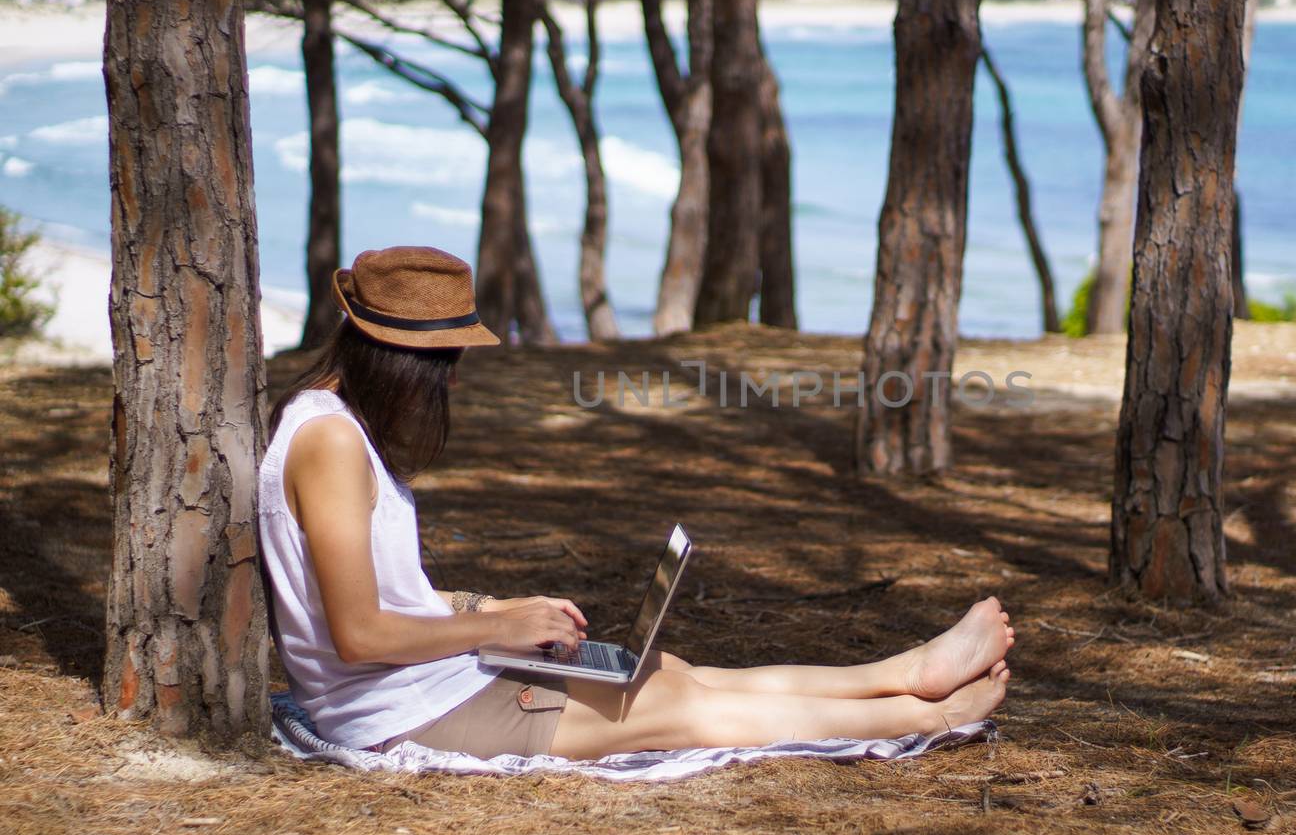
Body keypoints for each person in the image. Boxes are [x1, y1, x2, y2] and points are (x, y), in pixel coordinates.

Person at [259, 246, 1013, 761]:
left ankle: (911, 668)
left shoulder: (337, 427)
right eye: (444, 365)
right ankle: (928, 715)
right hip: (398, 713)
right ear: (400, 360)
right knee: (674, 707)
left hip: (424, 683)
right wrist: (494, 626)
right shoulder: (329, 442)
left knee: (668, 670)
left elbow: (377, 597)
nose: (451, 383)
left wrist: (500, 607)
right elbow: (357, 634)